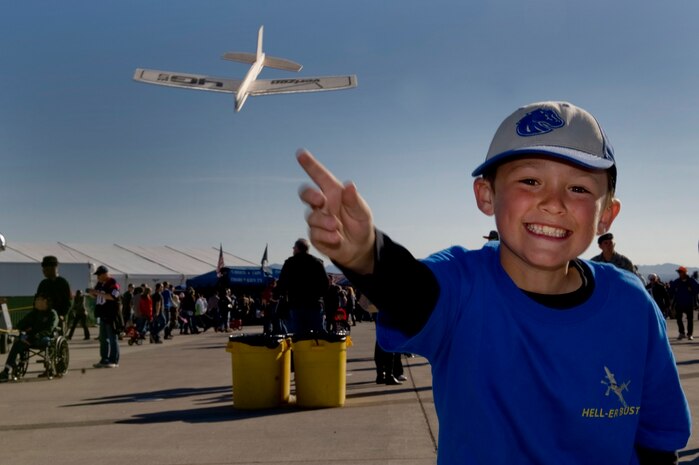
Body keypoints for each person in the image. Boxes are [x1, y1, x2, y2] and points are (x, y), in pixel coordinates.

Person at [296, 101, 690, 464]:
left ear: (606, 216)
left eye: (579, 188)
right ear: (486, 195)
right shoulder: (463, 284)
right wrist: (368, 254)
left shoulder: (631, 304)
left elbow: (657, 442)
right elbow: (415, 293)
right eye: (530, 181)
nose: (553, 202)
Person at [274, 238, 329, 333]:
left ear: (298, 249)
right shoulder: (317, 263)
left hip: (296, 304)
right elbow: (325, 283)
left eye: (294, 248)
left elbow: (282, 283)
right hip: (314, 305)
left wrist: (276, 295)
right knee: (319, 336)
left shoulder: (290, 263)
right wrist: (318, 296)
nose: (293, 250)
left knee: (297, 337)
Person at [0, 293, 58, 382]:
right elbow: (23, 322)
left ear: (46, 302)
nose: (37, 301)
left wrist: (37, 336)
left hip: (44, 338)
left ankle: (49, 367)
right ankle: (6, 371)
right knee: (17, 343)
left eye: (39, 299)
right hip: (30, 338)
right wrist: (17, 329)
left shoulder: (52, 314)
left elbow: (49, 330)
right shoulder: (34, 313)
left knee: (43, 340)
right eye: (37, 300)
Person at [88, 265, 120, 368]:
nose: (97, 277)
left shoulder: (113, 283)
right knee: (103, 339)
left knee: (112, 338)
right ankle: (104, 359)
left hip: (111, 314)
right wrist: (91, 293)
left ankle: (113, 360)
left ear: (105, 274)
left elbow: (112, 296)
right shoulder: (100, 284)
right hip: (103, 314)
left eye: (99, 275)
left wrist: (97, 292)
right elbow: (96, 295)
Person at [36, 256, 72, 334]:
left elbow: (68, 303)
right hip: (43, 318)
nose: (43, 271)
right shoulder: (43, 284)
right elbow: (36, 301)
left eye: (46, 269)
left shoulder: (63, 283)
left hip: (58, 318)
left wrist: (62, 315)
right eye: (43, 269)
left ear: (54, 268)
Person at [669, 266, 699, 341]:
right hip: (679, 303)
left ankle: (690, 334)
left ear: (685, 272)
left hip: (689, 303)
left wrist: (692, 291)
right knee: (678, 319)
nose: (679, 273)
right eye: (679, 272)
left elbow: (697, 289)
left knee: (690, 319)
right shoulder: (677, 281)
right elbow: (671, 290)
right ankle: (682, 333)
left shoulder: (691, 281)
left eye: (681, 272)